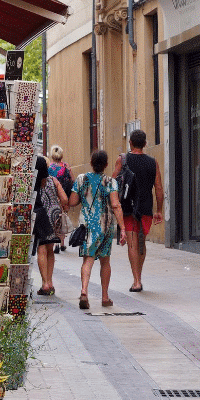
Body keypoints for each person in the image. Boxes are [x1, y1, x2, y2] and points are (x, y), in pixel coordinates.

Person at [68, 149, 126, 309]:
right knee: (105, 261)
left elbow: (72, 202)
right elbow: (115, 205)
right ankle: (105, 297)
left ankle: (84, 290)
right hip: (105, 226)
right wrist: (123, 228)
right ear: (106, 165)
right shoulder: (111, 182)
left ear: (91, 163)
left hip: (86, 226)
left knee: (88, 259)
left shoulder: (81, 179)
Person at [111, 129, 164, 292]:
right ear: (145, 143)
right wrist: (159, 210)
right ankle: (138, 277)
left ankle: (136, 280)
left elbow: (112, 182)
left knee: (132, 243)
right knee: (141, 241)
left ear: (131, 143)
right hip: (146, 206)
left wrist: (113, 204)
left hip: (128, 206)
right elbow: (159, 188)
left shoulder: (123, 160)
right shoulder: (152, 162)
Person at [33, 155, 69, 296]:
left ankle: (44, 284)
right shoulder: (53, 180)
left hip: (41, 216)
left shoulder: (33, 183)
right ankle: (50, 282)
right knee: (50, 250)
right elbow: (65, 198)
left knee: (41, 250)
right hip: (54, 216)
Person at [48, 145, 74, 253]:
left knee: (55, 219)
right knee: (63, 218)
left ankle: (56, 244)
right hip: (64, 197)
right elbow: (72, 180)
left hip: (53, 197)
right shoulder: (66, 168)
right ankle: (62, 243)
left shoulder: (49, 168)